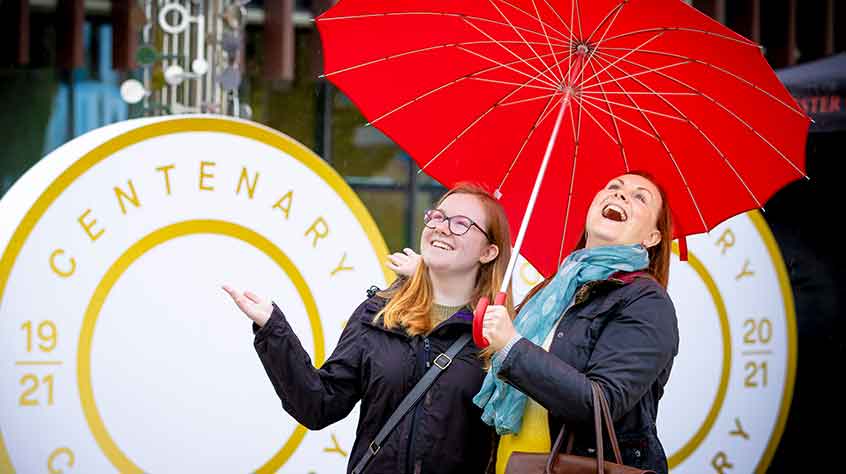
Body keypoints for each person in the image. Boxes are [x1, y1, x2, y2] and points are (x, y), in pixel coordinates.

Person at [394, 171, 678, 474]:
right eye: (613, 187)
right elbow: (489, 344)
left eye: (639, 197)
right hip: (510, 464)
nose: (620, 195)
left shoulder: (646, 302)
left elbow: (601, 405)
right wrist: (432, 283)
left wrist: (513, 347)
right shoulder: (552, 293)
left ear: (653, 237)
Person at [223, 183, 513, 474]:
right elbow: (319, 404)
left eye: (461, 224)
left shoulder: (498, 338)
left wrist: (512, 349)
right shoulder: (380, 313)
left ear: (488, 252)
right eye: (438, 217)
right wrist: (273, 328)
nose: (442, 228)